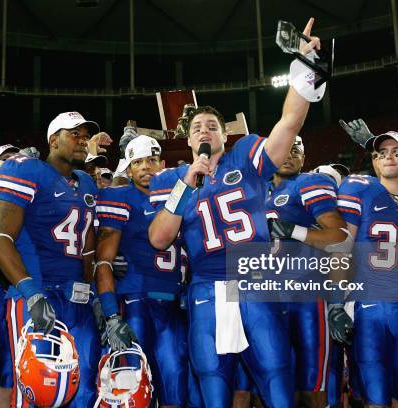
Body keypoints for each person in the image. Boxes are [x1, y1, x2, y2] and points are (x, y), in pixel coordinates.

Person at [148, 18, 322, 407]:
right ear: (188, 139)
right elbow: (159, 239)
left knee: (277, 377)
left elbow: (289, 123)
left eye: (212, 125)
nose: (205, 131)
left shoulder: (245, 157)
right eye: (197, 128)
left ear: (224, 134)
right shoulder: (172, 179)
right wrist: (185, 184)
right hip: (207, 288)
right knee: (213, 384)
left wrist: (306, 68)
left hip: (256, 280)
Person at [0, 111, 100, 407]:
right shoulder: (27, 170)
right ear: (53, 140)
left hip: (76, 296)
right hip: (37, 291)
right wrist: (31, 294)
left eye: (85, 136)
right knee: (36, 385)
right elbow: (0, 240)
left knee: (85, 384)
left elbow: (88, 245)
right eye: (74, 134)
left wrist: (95, 292)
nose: (82, 141)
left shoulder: (87, 183)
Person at [336, 131, 398, 407]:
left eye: (397, 151)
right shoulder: (359, 191)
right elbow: (341, 250)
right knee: (376, 398)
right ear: (374, 161)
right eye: (381, 153)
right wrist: (336, 305)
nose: (389, 156)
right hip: (371, 308)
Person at [95, 135, 187, 407]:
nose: (146, 167)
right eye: (138, 162)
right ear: (129, 168)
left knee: (175, 383)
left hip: (174, 303)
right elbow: (103, 261)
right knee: (131, 389)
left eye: (152, 159)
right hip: (137, 301)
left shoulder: (182, 196)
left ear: (163, 163)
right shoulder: (119, 198)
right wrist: (111, 312)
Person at [265, 136, 349, 408]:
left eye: (296, 150)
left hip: (307, 296)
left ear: (304, 156)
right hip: (265, 299)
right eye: (284, 149)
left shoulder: (309, 183)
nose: (289, 155)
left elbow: (341, 238)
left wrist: (294, 231)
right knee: (273, 384)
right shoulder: (257, 190)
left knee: (313, 386)